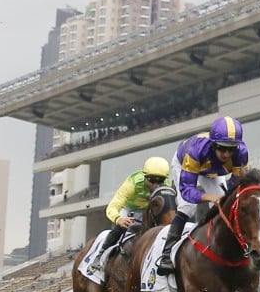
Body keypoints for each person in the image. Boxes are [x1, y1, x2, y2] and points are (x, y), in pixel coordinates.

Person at [156, 116, 249, 274]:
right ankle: (166, 254)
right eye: (222, 148)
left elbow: (236, 183)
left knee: (226, 206)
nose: (226, 154)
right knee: (188, 207)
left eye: (231, 149)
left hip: (212, 172)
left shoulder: (241, 154)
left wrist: (226, 199)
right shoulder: (195, 151)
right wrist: (209, 197)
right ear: (213, 144)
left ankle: (233, 246)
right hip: (185, 164)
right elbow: (187, 190)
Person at [87, 156, 171, 273]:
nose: (155, 185)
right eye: (152, 180)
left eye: (160, 181)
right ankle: (100, 255)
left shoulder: (167, 184)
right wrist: (118, 219)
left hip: (149, 210)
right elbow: (114, 205)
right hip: (129, 209)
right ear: (145, 176)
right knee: (122, 226)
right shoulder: (133, 182)